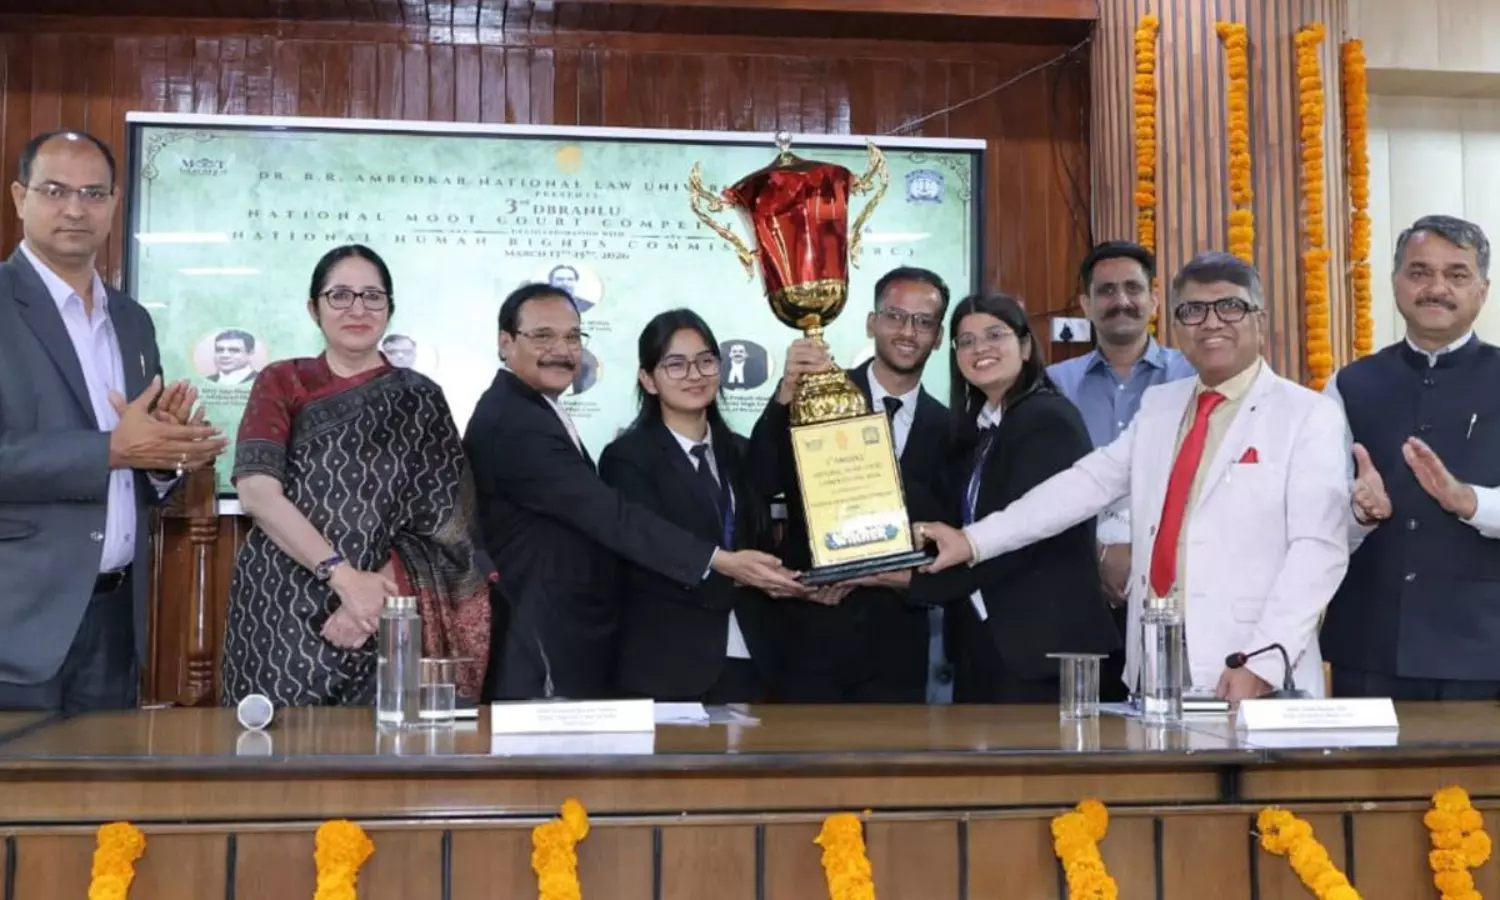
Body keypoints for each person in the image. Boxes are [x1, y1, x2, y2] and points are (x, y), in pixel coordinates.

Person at [917, 252, 1350, 703]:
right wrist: (972, 541)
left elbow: (1318, 550)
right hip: (1158, 661)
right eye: (1193, 310)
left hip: (1248, 664)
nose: (1211, 322)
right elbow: (1083, 485)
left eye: (1230, 306)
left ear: (1259, 319)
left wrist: (1262, 662)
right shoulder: (1162, 406)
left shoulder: (1307, 414)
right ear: (1175, 324)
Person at [465, 284, 805, 700]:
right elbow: (611, 516)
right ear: (505, 343)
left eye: (572, 337)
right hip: (547, 641)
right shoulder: (516, 422)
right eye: (543, 335)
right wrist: (721, 562)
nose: (561, 349)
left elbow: (764, 480)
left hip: (569, 639)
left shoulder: (532, 411)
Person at [0, 130, 224, 712]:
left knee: (105, 775)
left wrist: (167, 456)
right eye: (55, 191)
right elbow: (111, 448)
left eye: (93, 193)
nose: (75, 209)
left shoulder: (132, 320)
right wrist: (111, 450)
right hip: (15, 625)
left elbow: (137, 457)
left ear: (114, 203)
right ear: (20, 197)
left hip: (116, 620)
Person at [221, 245, 492, 707]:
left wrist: (369, 599)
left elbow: (447, 522)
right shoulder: (282, 381)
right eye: (340, 295)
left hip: (385, 613)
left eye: (372, 296)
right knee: (274, 745)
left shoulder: (421, 399)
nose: (357, 309)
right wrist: (343, 578)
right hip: (280, 606)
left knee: (382, 742)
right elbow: (257, 492)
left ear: (390, 308)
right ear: (314, 308)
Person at [863, 294, 1118, 701]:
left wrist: (904, 579)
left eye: (995, 335)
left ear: (1025, 346)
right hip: (986, 643)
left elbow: (1023, 540)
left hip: (1044, 650)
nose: (980, 348)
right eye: (966, 341)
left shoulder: (1047, 419)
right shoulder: (980, 430)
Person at [750, 266, 954, 703]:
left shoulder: (952, 429)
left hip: (897, 645)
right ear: (871, 323)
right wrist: (785, 394)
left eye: (923, 322)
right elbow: (762, 480)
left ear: (938, 337)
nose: (907, 332)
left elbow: (947, 533)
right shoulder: (816, 395)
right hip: (812, 630)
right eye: (895, 316)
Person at [1323, 215, 1500, 700]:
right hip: (1369, 646)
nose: (1436, 288)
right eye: (1419, 272)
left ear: (1483, 291)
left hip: (1484, 649)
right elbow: (1313, 513)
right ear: (1396, 282)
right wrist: (1358, 513)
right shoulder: (1348, 384)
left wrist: (1471, 502)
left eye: (1456, 274)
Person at [598, 310, 780, 702]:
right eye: (676, 364)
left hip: (751, 653)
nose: (694, 375)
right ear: (648, 380)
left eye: (705, 361)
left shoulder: (740, 452)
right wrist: (732, 570)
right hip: (668, 664)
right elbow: (646, 551)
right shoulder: (627, 458)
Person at [1047, 241, 1196, 700]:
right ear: (1086, 304)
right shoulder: (1053, 386)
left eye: (1133, 288)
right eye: (1106, 291)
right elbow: (1041, 487)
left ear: (1155, 299)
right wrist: (1098, 553)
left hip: (1180, 594)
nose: (1121, 301)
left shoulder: (1194, 378)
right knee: (1084, 725)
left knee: (1169, 725)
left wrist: (1142, 552)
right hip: (1077, 593)